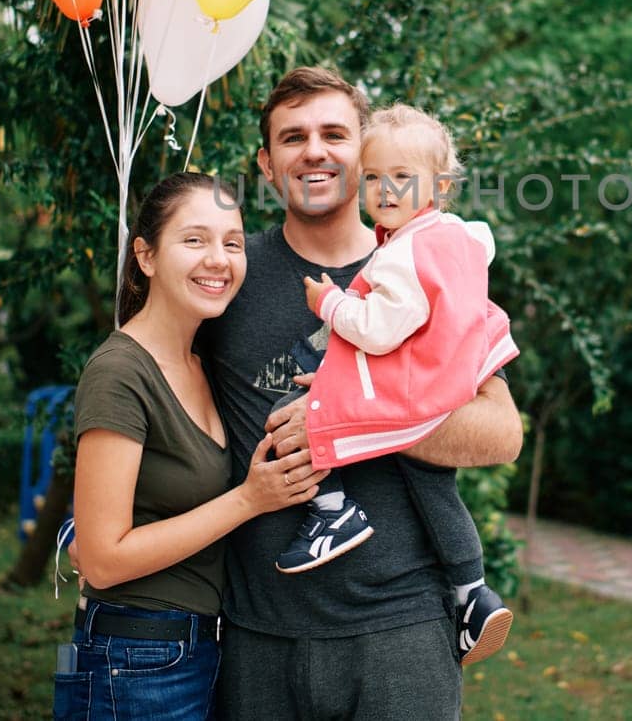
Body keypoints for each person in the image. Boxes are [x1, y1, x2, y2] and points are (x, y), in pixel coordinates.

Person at [198, 67, 524, 720]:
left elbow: (501, 432)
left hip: (399, 630)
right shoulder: (227, 275)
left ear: (365, 152)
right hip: (257, 631)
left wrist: (357, 411)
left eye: (334, 133)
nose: (314, 150)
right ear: (267, 163)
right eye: (293, 137)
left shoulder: (424, 268)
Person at [56, 172, 327, 721]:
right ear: (147, 256)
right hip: (133, 657)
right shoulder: (121, 372)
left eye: (232, 242)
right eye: (195, 240)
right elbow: (103, 558)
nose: (219, 259)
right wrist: (250, 499)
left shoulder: (201, 365)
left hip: (194, 648)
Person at [277, 103, 517, 668]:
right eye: (375, 177)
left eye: (402, 178)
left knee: (302, 406)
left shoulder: (400, 254)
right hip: (445, 383)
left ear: (440, 186)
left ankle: (333, 509)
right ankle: (471, 594)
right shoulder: (453, 235)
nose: (386, 190)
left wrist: (330, 301)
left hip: (412, 393)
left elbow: (380, 331)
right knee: (434, 484)